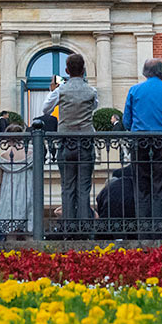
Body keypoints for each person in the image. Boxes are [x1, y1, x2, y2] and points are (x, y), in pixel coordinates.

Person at [123, 58, 162, 235]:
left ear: (144, 73)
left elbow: (127, 122)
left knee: (141, 188)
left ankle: (143, 231)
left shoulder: (134, 90)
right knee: (161, 187)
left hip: (140, 143)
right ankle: (158, 231)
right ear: (161, 72)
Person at [42, 53, 97, 234]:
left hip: (66, 144)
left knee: (67, 187)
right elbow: (94, 106)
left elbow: (46, 109)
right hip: (86, 144)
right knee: (84, 188)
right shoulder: (91, 91)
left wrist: (55, 90)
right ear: (83, 70)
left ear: (67, 71)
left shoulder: (61, 90)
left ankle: (68, 229)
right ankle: (84, 228)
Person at [0, 123, 33, 238]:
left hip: (9, 195)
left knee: (10, 232)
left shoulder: (3, 156)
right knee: (29, 233)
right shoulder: (31, 153)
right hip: (27, 191)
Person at [95, 165, 138, 240]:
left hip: (109, 221)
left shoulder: (109, 187)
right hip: (130, 221)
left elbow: (99, 199)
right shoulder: (134, 186)